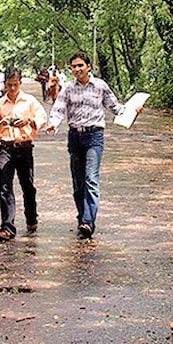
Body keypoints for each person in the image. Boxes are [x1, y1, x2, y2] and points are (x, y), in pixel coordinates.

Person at [44, 51, 141, 239]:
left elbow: (116, 108)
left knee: (91, 179)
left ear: (89, 66)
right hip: (75, 137)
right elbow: (58, 109)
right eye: (74, 66)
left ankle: (88, 221)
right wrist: (53, 123)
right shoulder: (68, 89)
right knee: (78, 183)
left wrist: (134, 111)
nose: (77, 69)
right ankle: (82, 217)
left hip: (94, 137)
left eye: (80, 65)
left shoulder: (100, 86)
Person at [0, 67, 47, 241]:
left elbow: (42, 118)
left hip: (25, 147)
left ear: (20, 83)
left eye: (15, 85)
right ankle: (7, 226)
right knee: (5, 187)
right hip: (6, 148)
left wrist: (29, 121)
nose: (12, 89)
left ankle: (31, 217)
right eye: (9, 85)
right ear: (5, 85)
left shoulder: (30, 101)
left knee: (28, 186)